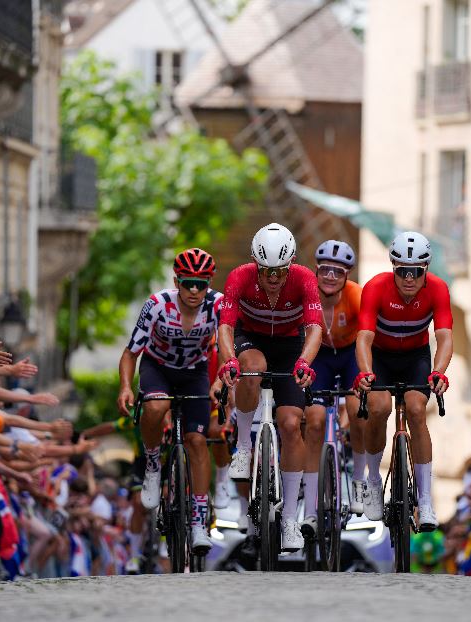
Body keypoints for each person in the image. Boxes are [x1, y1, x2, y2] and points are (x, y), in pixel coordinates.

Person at [217, 223, 323, 552]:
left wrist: (304, 362)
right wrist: (229, 359)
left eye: (280, 271)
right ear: (255, 264)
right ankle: (245, 446)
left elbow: (315, 328)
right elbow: (225, 327)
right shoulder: (239, 277)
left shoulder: (304, 278)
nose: (274, 279)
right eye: (267, 272)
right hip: (252, 340)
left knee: (292, 424)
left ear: (290, 265)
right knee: (252, 367)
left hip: (290, 345)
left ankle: (290, 517)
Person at [116, 248, 222, 555]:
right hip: (158, 367)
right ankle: (153, 463)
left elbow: (227, 345)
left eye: (200, 284)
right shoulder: (157, 304)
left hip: (195, 371)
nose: (193, 290)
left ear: (209, 284)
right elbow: (131, 351)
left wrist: (219, 378)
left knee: (197, 441)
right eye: (187, 282)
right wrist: (125, 387)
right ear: (176, 281)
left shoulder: (217, 304)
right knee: (156, 406)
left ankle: (200, 522)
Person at [355, 231, 454, 530]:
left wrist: (439, 371)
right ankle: (373, 481)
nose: (408, 279)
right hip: (381, 357)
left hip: (415, 357)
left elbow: (445, 336)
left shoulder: (437, 289)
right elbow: (364, 337)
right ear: (393, 268)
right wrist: (365, 371)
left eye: (416, 272)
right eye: (402, 271)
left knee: (415, 409)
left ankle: (425, 501)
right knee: (379, 407)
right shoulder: (376, 287)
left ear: (426, 270)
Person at [302, 240, 365, 534]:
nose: (330, 276)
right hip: (321, 357)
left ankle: (358, 481)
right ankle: (311, 506)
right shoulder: (306, 295)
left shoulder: (356, 296)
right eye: (325, 269)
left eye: (337, 272)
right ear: (316, 270)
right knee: (314, 420)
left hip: (350, 353)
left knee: (357, 409)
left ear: (346, 277)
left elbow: (368, 337)